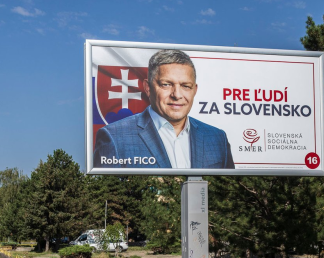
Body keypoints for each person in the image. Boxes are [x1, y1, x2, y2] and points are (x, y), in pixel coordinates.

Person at [93, 49, 235, 169]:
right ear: (148, 88)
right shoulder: (114, 138)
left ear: (194, 90)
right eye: (166, 84)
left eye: (186, 86)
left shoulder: (217, 138)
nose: (177, 95)